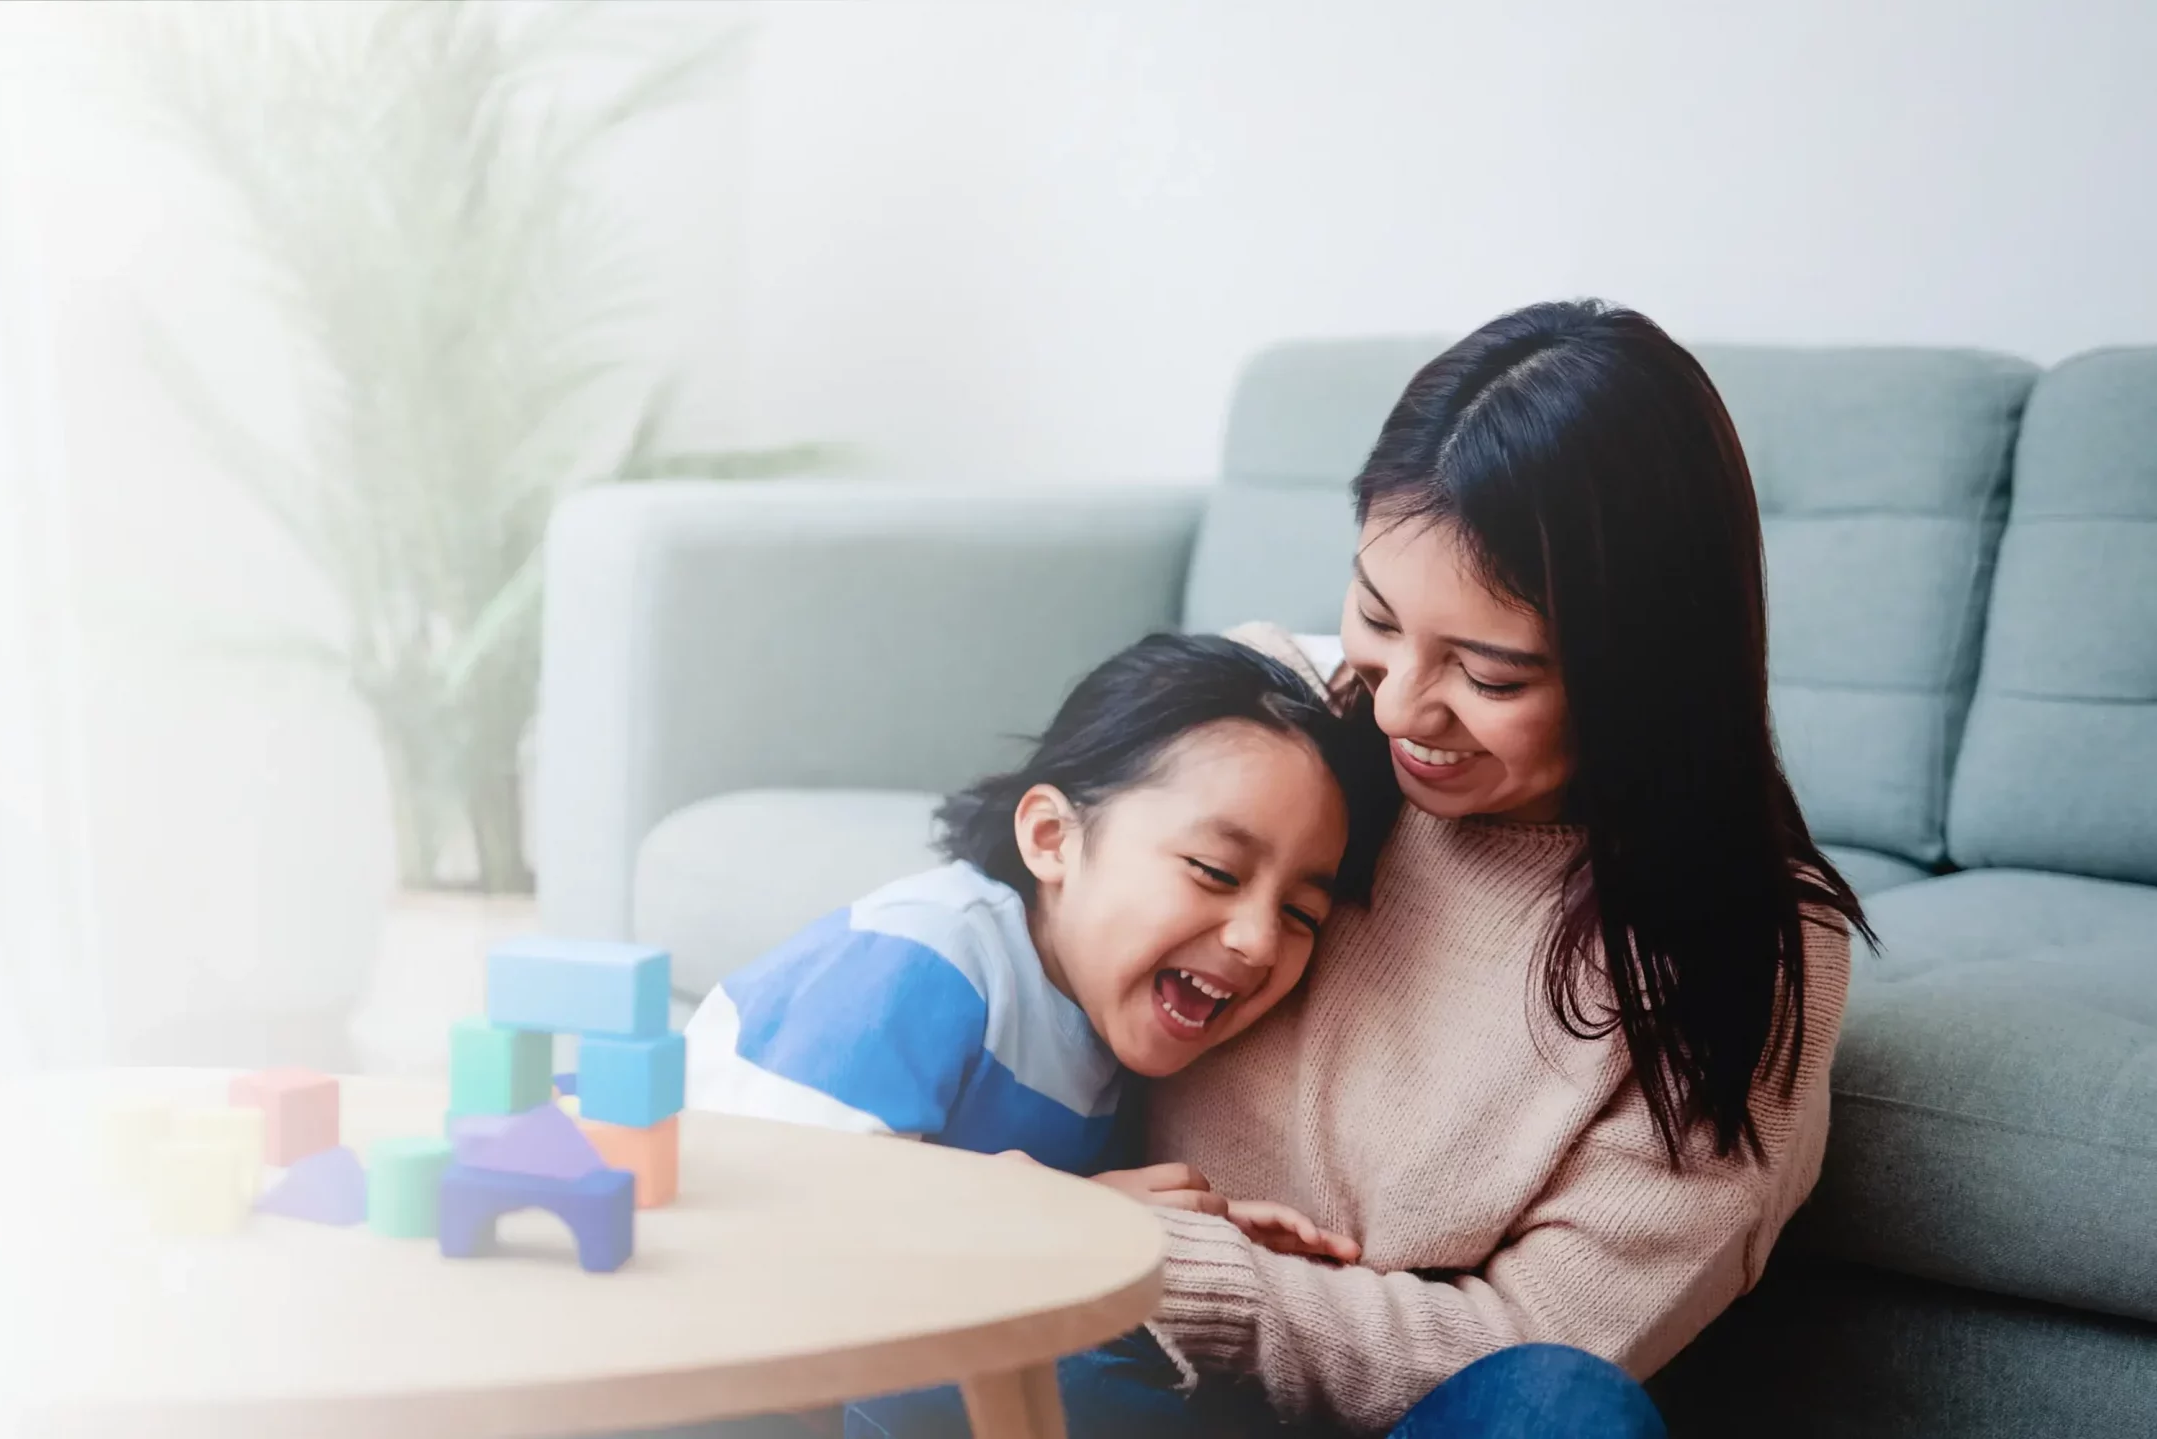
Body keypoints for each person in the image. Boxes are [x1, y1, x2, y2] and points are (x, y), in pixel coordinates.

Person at [845, 300, 1870, 1439]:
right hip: (1120, 1373)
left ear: (1641, 671)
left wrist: (1179, 1267)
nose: (1391, 704)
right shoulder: (1280, 722)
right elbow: (1013, 917)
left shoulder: (1728, 950)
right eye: (1376, 614)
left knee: (1561, 1410)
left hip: (1392, 1409)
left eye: (1488, 675)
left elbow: (1542, 1342)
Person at [684, 630, 1396, 1256]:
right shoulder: (926, 956)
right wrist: (1080, 1214)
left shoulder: (1099, 1037)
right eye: (1214, 871)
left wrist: (1194, 1231)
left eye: (1302, 914)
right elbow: (789, 1212)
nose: (1257, 940)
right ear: (1052, 838)